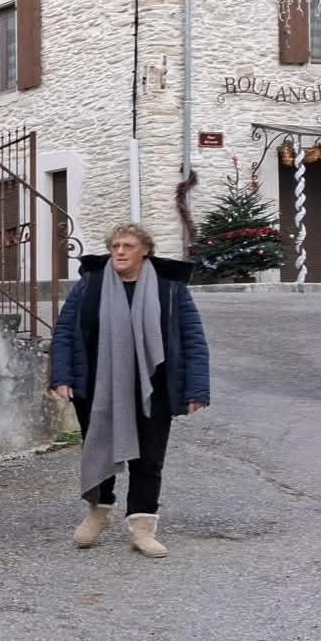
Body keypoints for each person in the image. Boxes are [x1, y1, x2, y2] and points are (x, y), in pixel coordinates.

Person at [50, 223, 210, 557]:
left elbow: (193, 338)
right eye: (115, 246)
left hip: (155, 387)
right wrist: (62, 377)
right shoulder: (90, 285)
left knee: (149, 460)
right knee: (98, 448)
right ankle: (98, 511)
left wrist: (196, 389)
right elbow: (65, 331)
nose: (120, 252)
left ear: (145, 251)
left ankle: (142, 527)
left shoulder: (170, 288)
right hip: (97, 387)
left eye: (127, 246)